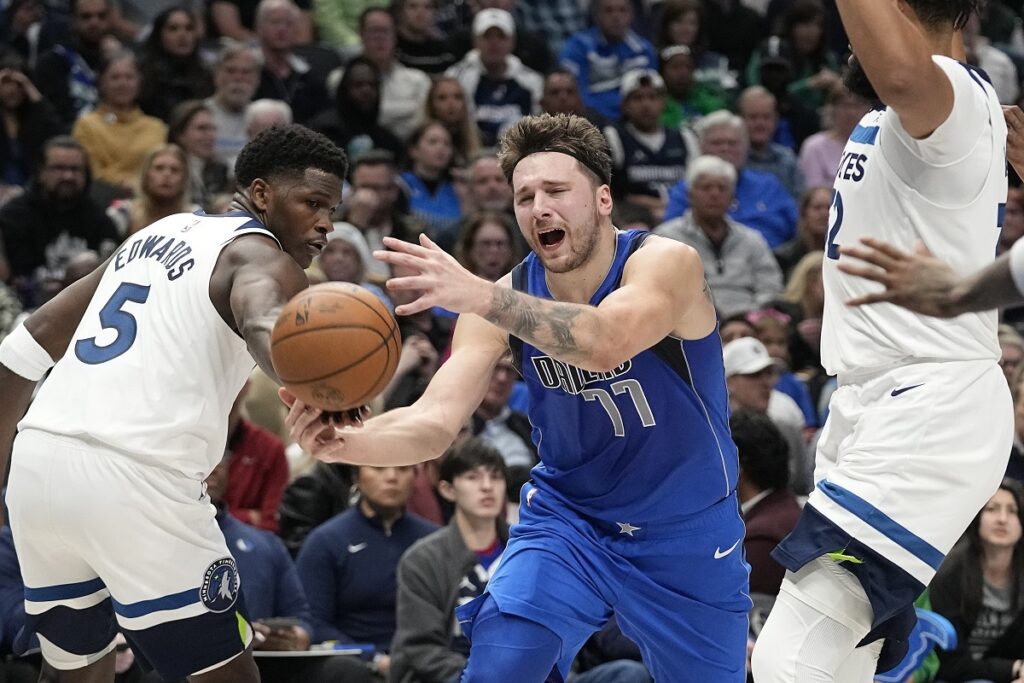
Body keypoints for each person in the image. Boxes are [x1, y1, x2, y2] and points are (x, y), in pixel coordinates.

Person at [284, 112, 750, 681]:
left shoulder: (665, 263)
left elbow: (605, 342)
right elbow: (434, 423)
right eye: (524, 196)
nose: (539, 207)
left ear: (603, 199)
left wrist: (480, 296)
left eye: (557, 190)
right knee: (500, 664)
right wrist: (344, 443)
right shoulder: (500, 301)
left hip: (688, 529)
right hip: (571, 522)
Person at [0, 123, 348, 682]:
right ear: (260, 194)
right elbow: (263, 317)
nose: (326, 223)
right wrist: (315, 379)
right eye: (312, 203)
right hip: (138, 475)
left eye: (332, 208)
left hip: (39, 466)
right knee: (225, 674)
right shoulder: (264, 258)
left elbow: (26, 343)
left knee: (75, 671)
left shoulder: (155, 234)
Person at [750, 0, 1015, 677]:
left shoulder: (953, 94)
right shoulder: (897, 117)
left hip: (930, 396)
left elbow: (901, 71)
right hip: (874, 397)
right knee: (843, 658)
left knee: (792, 655)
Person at [296, 465, 437, 681]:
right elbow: (314, 623)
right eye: (379, 468)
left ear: (415, 477)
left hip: (425, 662)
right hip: (356, 666)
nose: (392, 477)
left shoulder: (434, 540)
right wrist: (373, 658)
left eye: (402, 468)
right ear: (356, 477)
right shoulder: (326, 541)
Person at [389, 439, 509, 683]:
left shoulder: (528, 552)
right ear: (447, 490)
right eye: (473, 477)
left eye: (495, 477)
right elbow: (422, 649)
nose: (487, 487)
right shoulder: (421, 560)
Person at [928, 480, 1024, 682]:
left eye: (1012, 511)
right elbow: (949, 662)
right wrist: (1013, 668)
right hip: (956, 676)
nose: (1003, 519)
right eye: (992, 509)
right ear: (977, 516)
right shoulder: (949, 573)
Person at [70, 50, 167, 191]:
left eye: (129, 77)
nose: (123, 83)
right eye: (115, 78)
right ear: (101, 83)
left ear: (139, 83)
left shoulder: (156, 127)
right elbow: (90, 170)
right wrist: (126, 183)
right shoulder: (86, 125)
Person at [105, 143, 195, 237]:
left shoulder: (195, 217)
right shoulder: (123, 212)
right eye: (159, 168)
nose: (167, 174)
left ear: (184, 178)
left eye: (175, 170)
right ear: (146, 175)